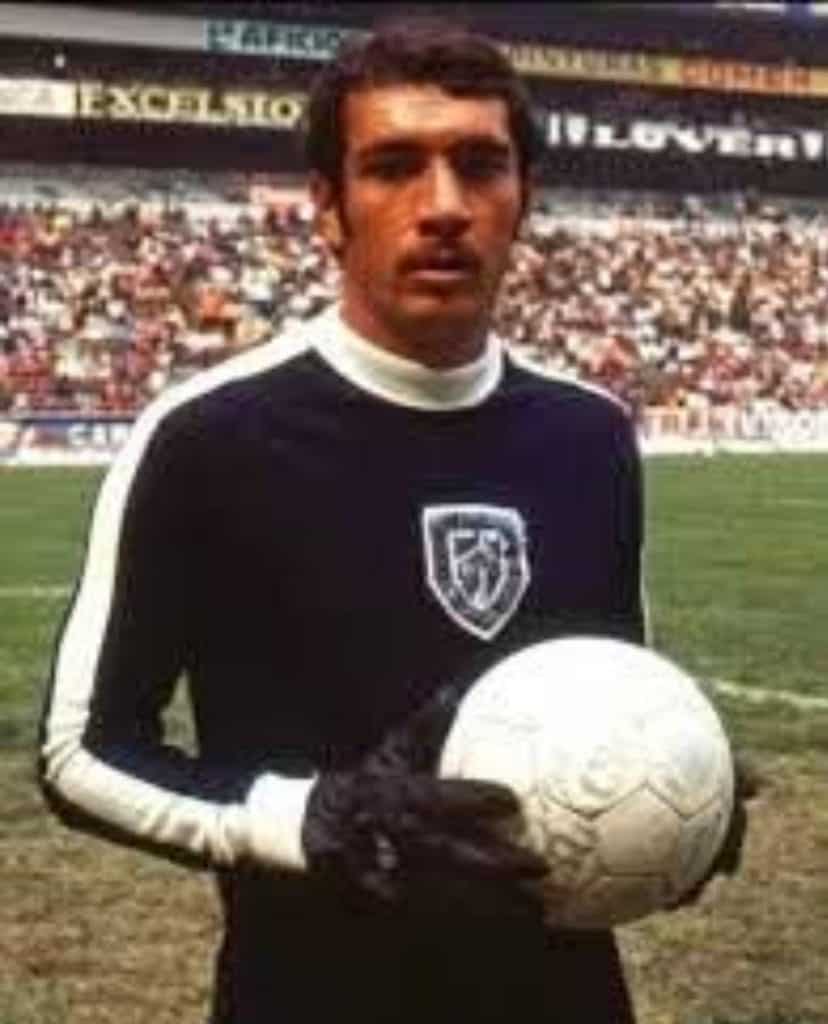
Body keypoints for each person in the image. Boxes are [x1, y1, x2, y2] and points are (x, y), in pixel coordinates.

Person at [38, 18, 748, 1024]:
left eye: (480, 164)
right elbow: (81, 750)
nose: (445, 206)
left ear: (524, 197)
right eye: (394, 167)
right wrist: (308, 817)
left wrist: (680, 797)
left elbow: (609, 690)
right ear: (328, 208)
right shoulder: (207, 437)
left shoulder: (590, 435)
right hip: (312, 995)